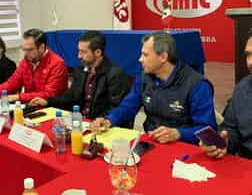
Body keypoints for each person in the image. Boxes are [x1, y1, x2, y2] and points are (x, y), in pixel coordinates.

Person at [91, 31, 217, 144]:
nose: (140, 59)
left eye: (145, 55)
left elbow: (207, 130)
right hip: (150, 141)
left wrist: (179, 134)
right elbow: (128, 106)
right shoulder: (144, 77)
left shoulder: (197, 85)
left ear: (163, 57)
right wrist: (109, 120)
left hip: (183, 146)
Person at [29, 31, 130, 121]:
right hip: (80, 122)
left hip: (100, 125)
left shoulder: (115, 75)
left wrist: (102, 121)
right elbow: (71, 96)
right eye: (79, 51)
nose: (79, 56)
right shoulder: (81, 70)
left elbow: (117, 108)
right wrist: (47, 101)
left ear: (98, 52)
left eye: (83, 52)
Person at [200, 31, 252, 159]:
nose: (250, 62)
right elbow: (230, 129)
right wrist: (223, 143)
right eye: (248, 55)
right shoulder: (243, 88)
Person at [0, 28, 68, 102]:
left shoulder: (57, 64)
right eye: (24, 49)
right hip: (30, 105)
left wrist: (18, 97)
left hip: (50, 108)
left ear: (42, 47)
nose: (25, 53)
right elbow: (12, 82)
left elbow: (49, 94)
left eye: (29, 50)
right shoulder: (26, 60)